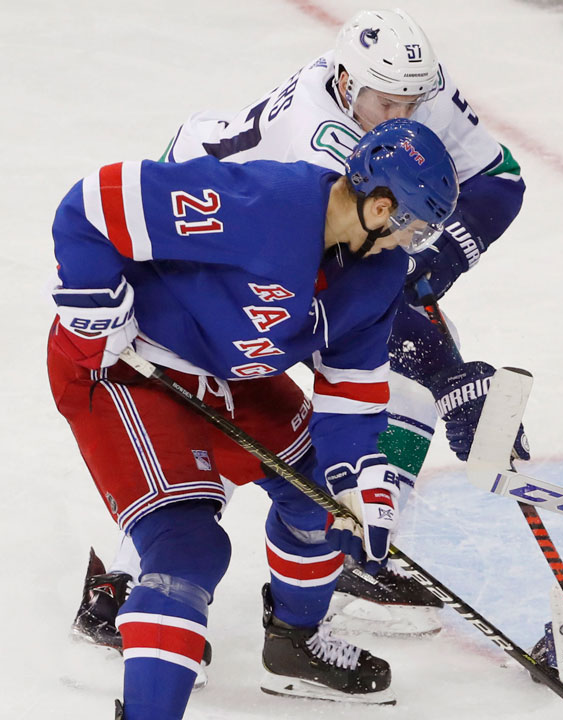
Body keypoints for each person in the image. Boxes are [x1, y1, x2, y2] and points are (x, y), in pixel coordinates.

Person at [73, 7, 528, 648]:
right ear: (346, 82)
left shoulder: (409, 93)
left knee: (353, 391)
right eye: (384, 104)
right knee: (205, 398)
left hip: (289, 243)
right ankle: (124, 579)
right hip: (205, 240)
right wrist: (449, 372)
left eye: (411, 104)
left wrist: (429, 270)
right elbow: (366, 287)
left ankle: (351, 549)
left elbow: (500, 181)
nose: (401, 117)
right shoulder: (321, 142)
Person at [49, 119, 457, 717]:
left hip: (230, 374)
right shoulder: (262, 204)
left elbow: (350, 385)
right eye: (412, 226)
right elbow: (93, 204)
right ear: (380, 205)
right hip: (128, 368)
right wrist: (94, 305)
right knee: (187, 548)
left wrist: (361, 481)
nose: (411, 243)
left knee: (322, 500)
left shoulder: (376, 274)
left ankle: (294, 645)